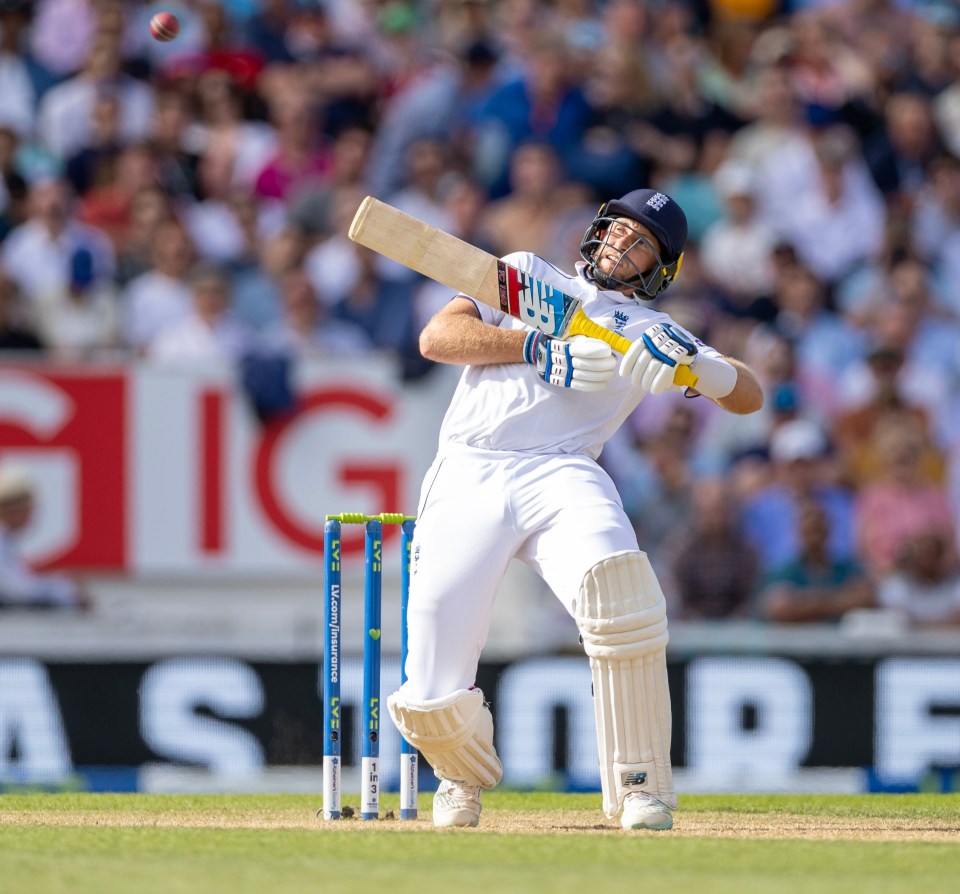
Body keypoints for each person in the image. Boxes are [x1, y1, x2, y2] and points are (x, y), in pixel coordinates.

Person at [385, 188, 762, 832]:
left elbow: (748, 394)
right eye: (618, 228)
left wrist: (702, 370)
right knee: (427, 688)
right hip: (471, 466)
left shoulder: (653, 333)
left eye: (640, 240)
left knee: (623, 592)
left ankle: (640, 785)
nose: (622, 242)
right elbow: (438, 336)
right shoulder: (527, 273)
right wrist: (535, 348)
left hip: (563, 471)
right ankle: (459, 777)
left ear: (661, 267)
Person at [0, 463, 90, 611]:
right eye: (29, 509)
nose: (32, 516)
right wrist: (66, 591)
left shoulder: (7, 541)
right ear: (13, 511)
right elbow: (18, 592)